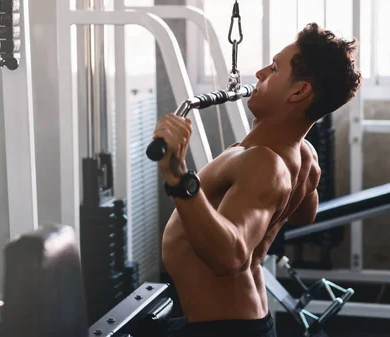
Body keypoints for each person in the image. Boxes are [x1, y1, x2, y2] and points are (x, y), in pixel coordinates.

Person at [154, 22, 361, 337]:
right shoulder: (304, 156)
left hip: (224, 329)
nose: (261, 74)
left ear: (299, 91)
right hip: (239, 321)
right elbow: (305, 217)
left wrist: (178, 176)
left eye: (275, 68)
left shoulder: (263, 162)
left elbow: (229, 257)